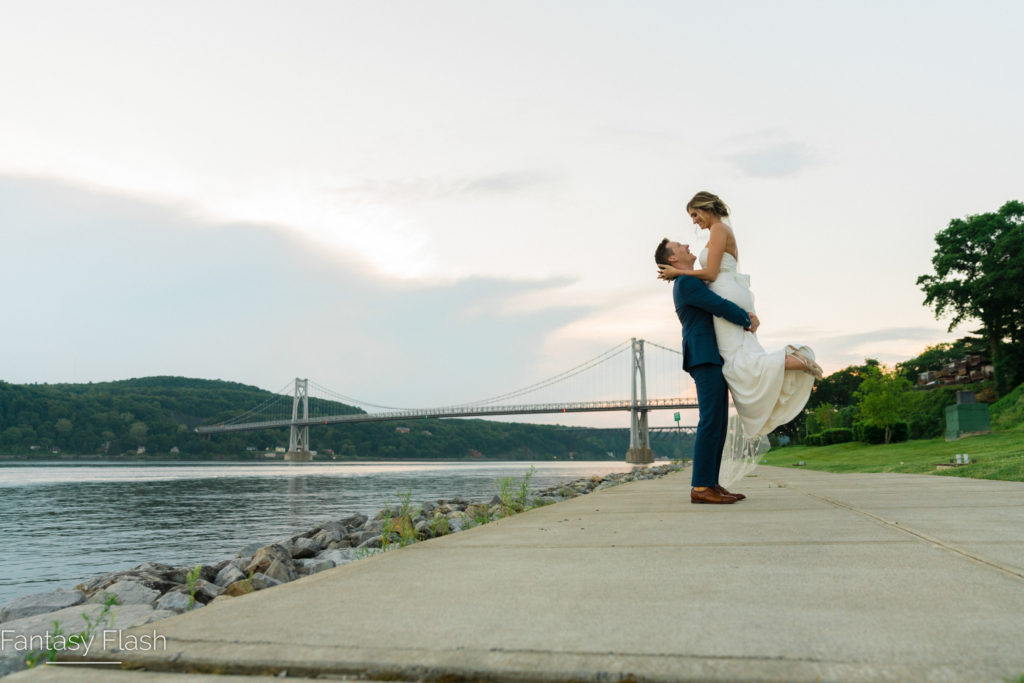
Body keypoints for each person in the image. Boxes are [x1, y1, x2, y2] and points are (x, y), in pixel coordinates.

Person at [657, 191, 820, 456]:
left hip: (725, 290)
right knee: (739, 356)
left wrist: (679, 272)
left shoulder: (719, 229)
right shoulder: (719, 231)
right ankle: (789, 361)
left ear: (706, 208)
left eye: (694, 214)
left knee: (734, 361)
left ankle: (793, 361)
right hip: (727, 291)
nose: (694, 221)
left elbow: (710, 274)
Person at [652, 238, 756, 504]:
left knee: (719, 423)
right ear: (673, 259)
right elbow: (717, 305)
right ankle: (699, 488)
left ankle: (710, 482)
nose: (687, 245)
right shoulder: (686, 283)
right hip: (704, 355)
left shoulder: (689, 278)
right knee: (710, 421)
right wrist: (746, 318)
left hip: (711, 355)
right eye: (680, 246)